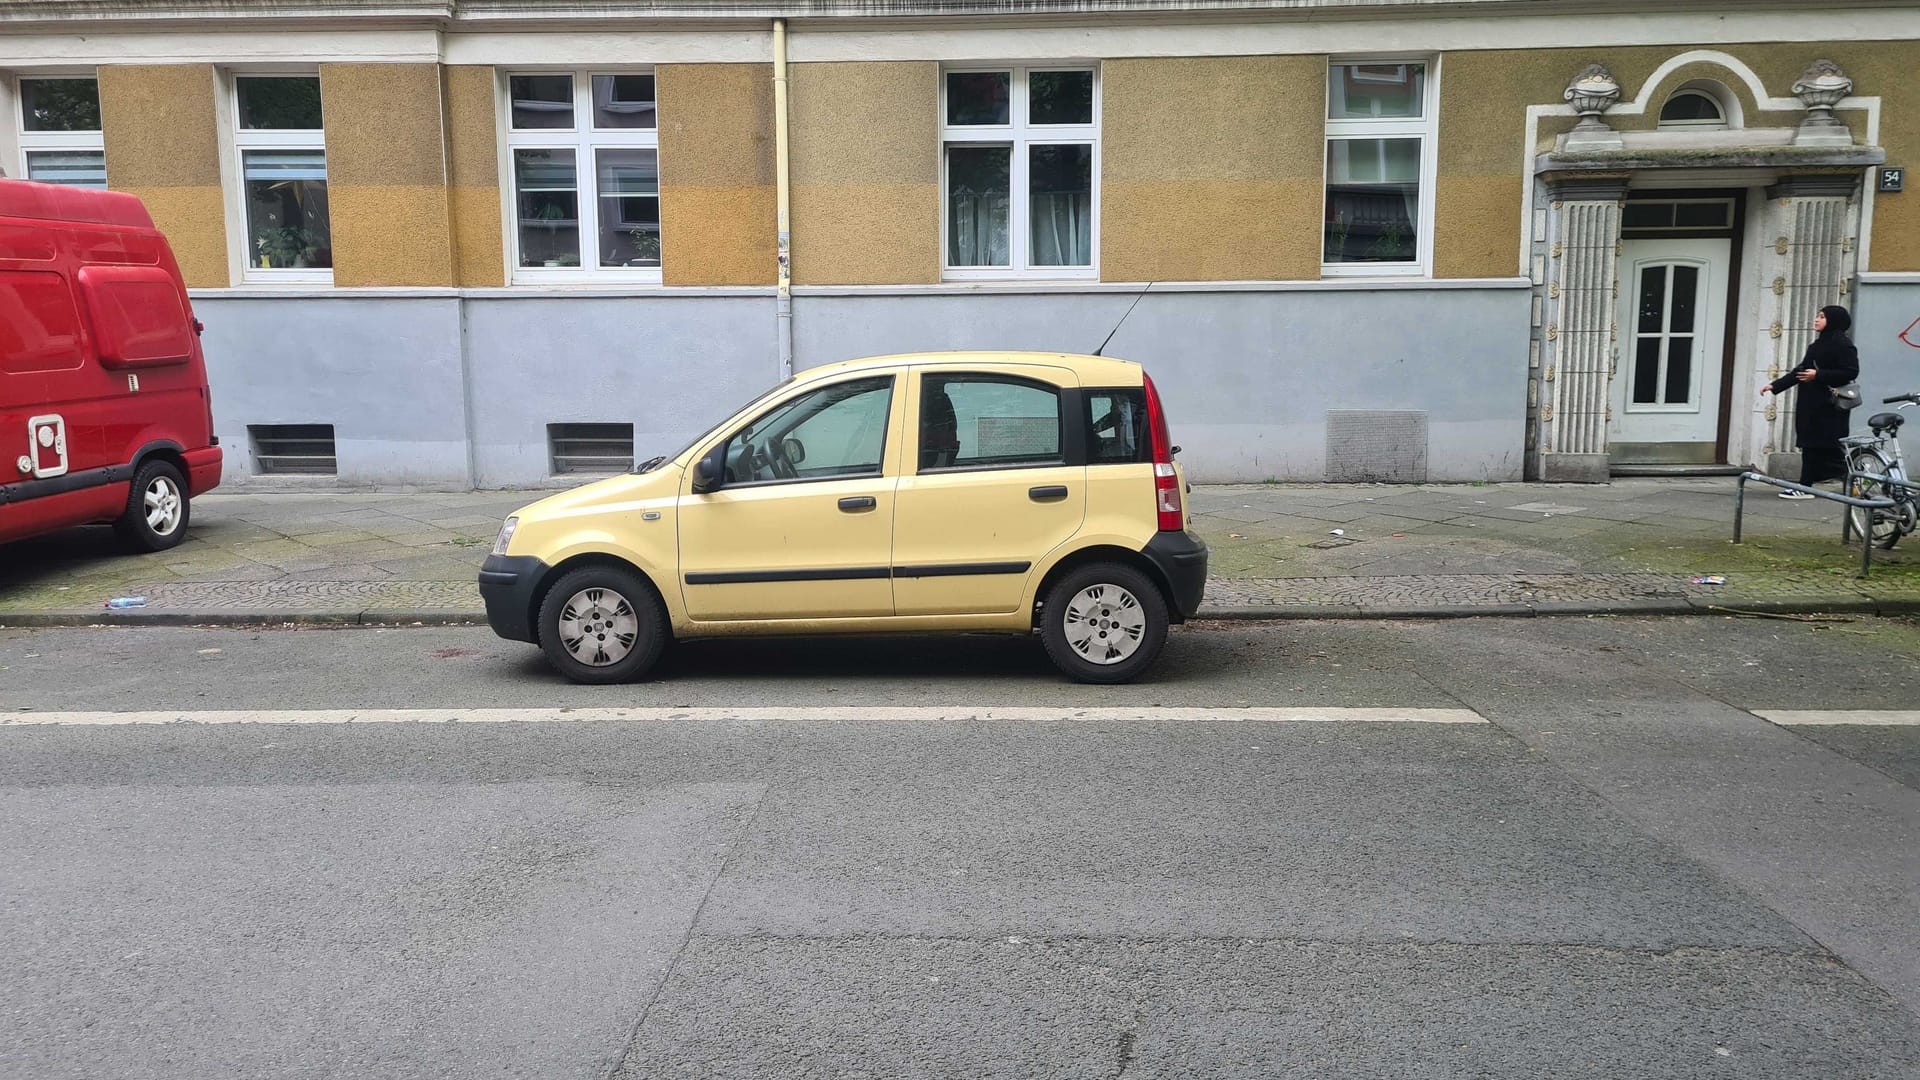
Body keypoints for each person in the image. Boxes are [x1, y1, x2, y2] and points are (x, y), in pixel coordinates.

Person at [1761, 304, 1859, 499]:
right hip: (1812, 404)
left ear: (1833, 320)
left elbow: (1850, 371)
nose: (1816, 319)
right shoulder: (1817, 345)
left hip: (1830, 405)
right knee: (1813, 445)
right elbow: (1801, 370)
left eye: (1821, 317)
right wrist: (1775, 386)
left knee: (1824, 446)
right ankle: (1845, 481)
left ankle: (1806, 487)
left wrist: (1819, 375)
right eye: (1817, 316)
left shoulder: (1843, 344)